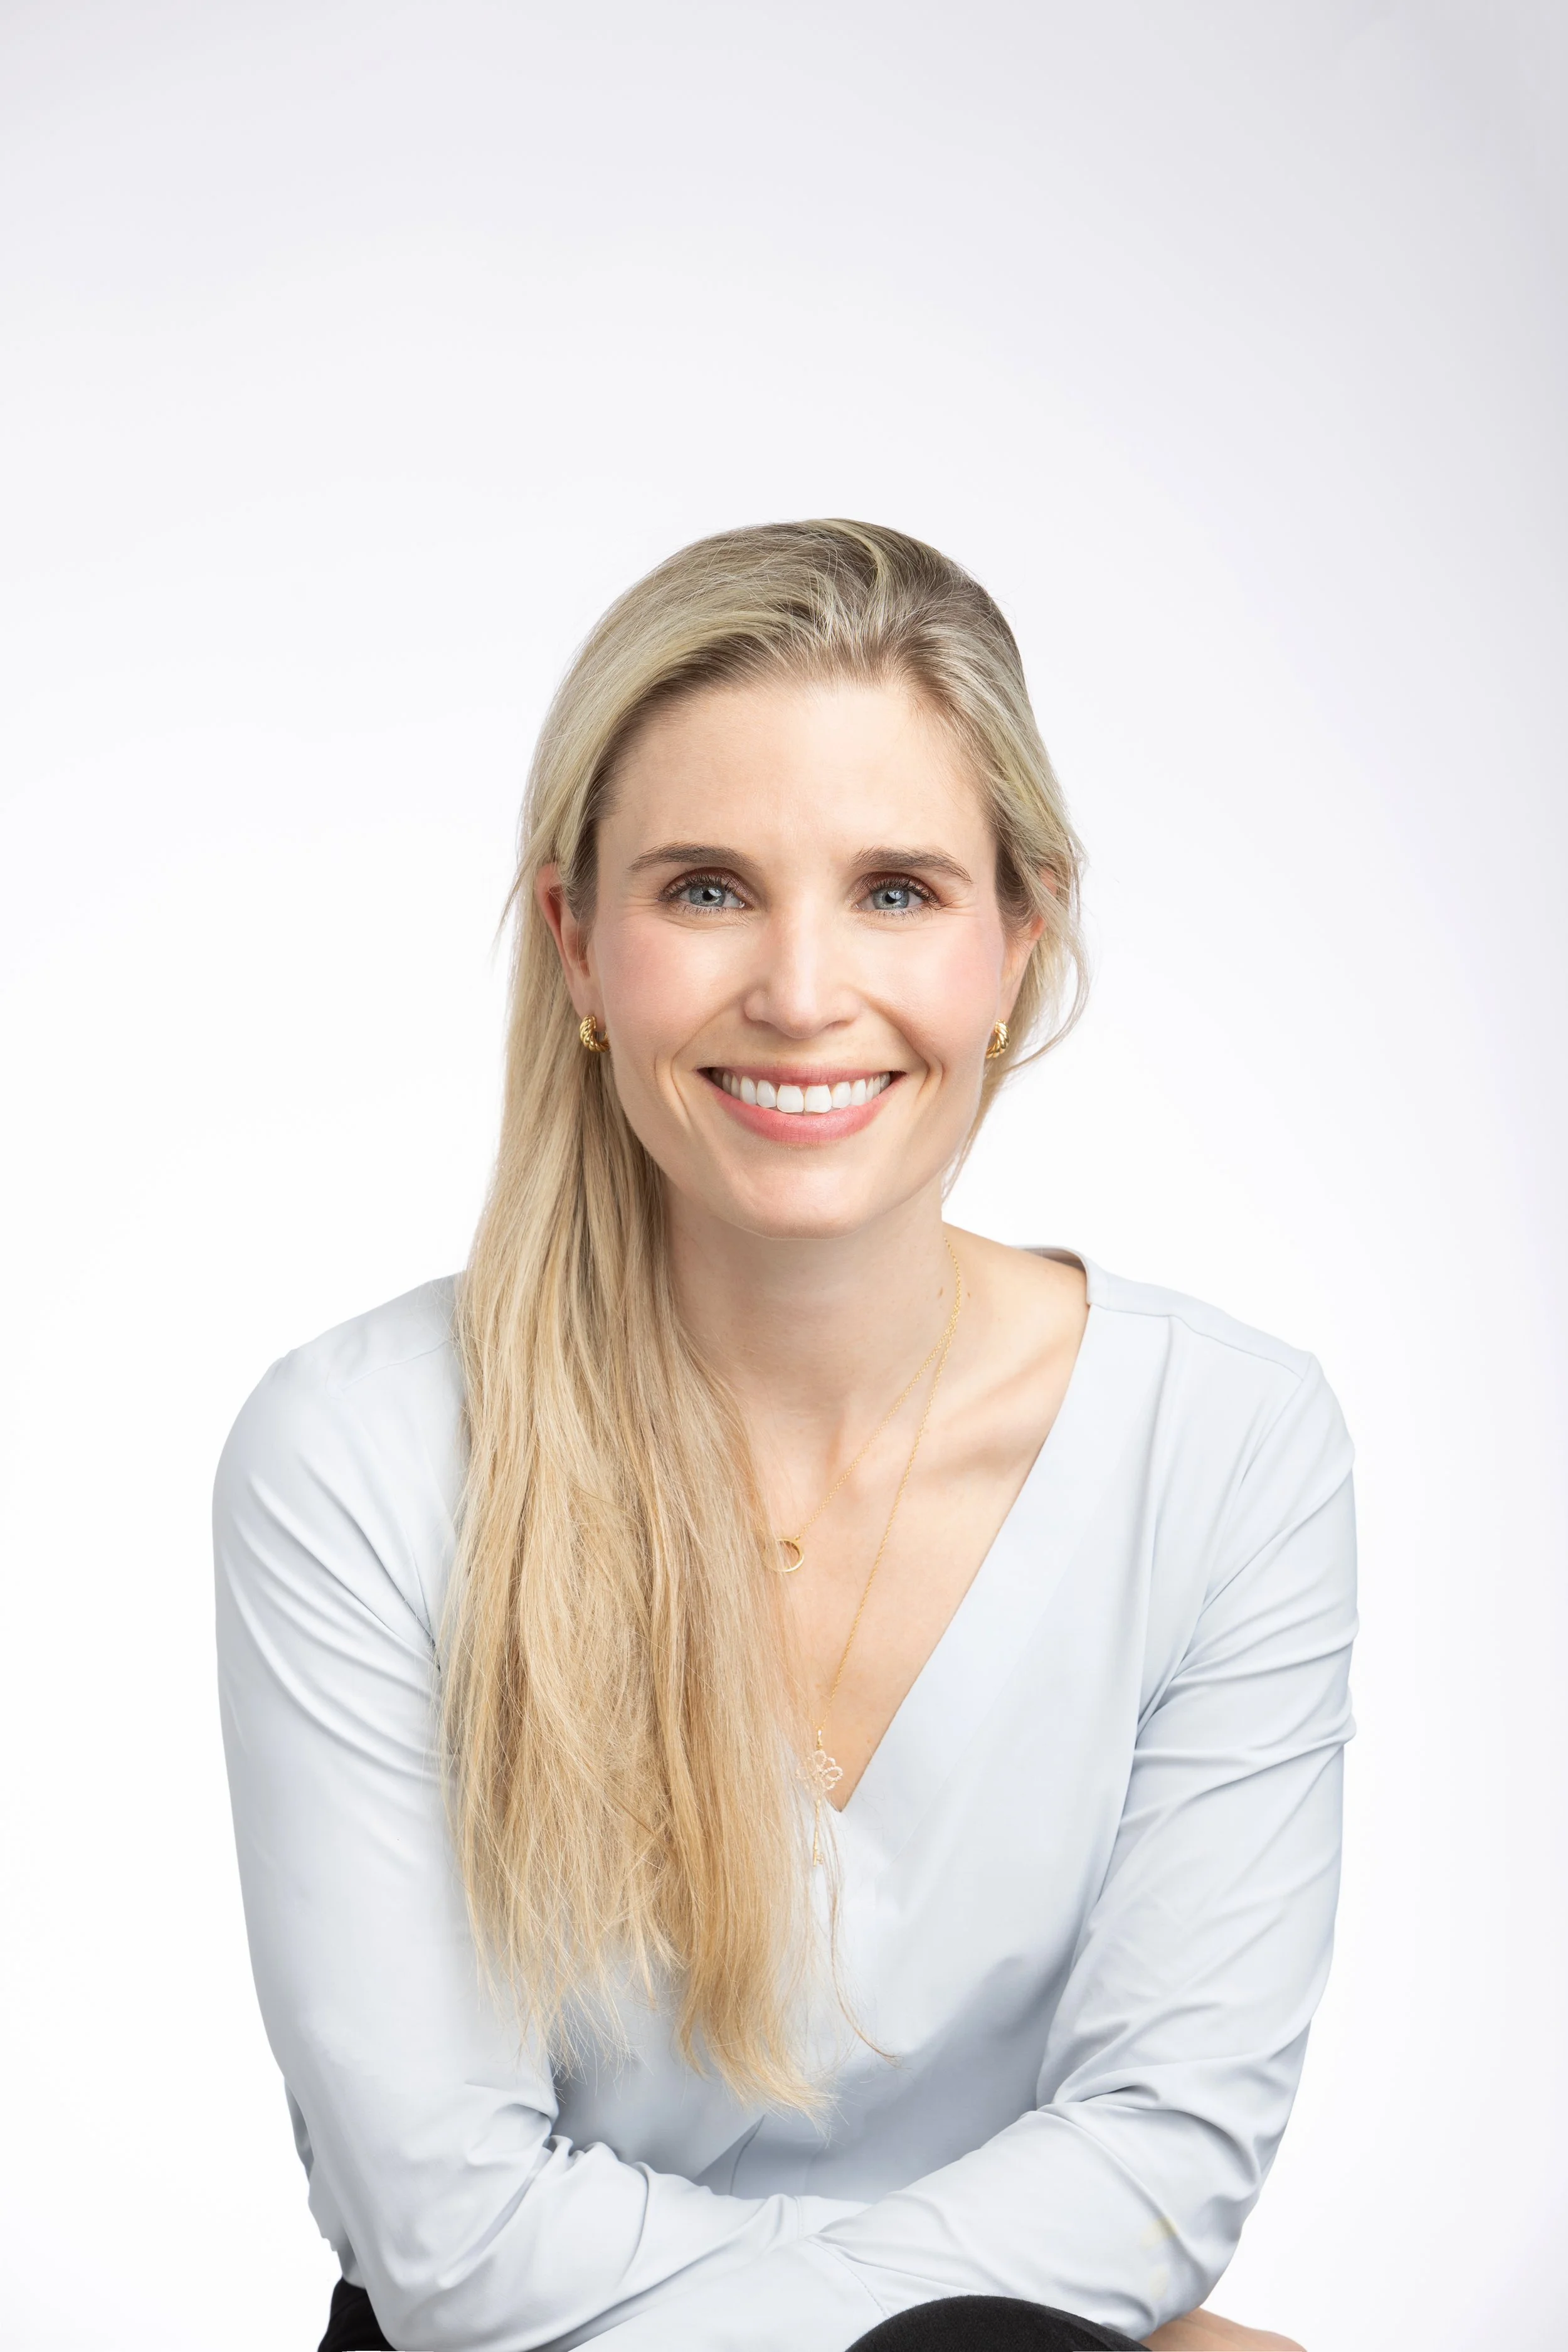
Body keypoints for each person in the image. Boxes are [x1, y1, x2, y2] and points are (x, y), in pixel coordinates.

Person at [216, 521, 1355, 2352]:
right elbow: (452, 2239)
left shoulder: (1225, 1447)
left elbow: (1162, 2151)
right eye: (706, 890)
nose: (805, 991)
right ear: (577, 944)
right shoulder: (358, 1459)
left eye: (897, 888)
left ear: (1019, 939)